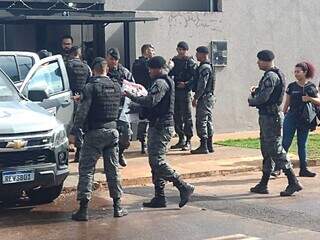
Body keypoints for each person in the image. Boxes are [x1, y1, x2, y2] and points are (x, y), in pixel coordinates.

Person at [125, 56, 195, 208]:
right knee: (154, 162)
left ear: (158, 68)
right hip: (158, 125)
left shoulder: (161, 82)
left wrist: (133, 97)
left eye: (151, 68)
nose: (149, 71)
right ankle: (159, 196)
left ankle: (183, 186)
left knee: (158, 161)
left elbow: (151, 101)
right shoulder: (163, 80)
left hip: (161, 126)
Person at [70, 57, 128, 221]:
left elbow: (83, 112)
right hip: (112, 132)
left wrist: (75, 131)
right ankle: (118, 207)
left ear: (93, 70)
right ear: (106, 69)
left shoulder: (90, 87)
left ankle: (83, 210)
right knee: (113, 170)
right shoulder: (116, 86)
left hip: (94, 133)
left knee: (87, 170)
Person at [248, 50, 303, 196]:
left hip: (271, 117)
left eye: (259, 60)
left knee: (275, 149)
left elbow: (264, 98)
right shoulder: (273, 75)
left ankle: (293, 181)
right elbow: (267, 93)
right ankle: (264, 182)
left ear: (266, 61)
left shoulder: (271, 76)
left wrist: (252, 100)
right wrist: (257, 91)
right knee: (267, 149)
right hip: (268, 116)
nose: (257, 63)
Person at [281, 62, 320, 177]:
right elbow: (287, 102)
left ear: (305, 72)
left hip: (305, 119)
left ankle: (304, 169)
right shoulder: (292, 86)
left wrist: (309, 98)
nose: (296, 74)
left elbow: (318, 101)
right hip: (291, 117)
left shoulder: (311, 87)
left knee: (302, 144)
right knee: (285, 143)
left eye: (298, 71)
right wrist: (283, 114)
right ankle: (279, 167)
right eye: (295, 72)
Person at [106, 47, 134, 167]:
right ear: (107, 57)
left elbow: (133, 87)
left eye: (115, 59)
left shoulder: (124, 72)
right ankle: (112, 162)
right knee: (110, 138)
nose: (113, 61)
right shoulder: (102, 71)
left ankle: (120, 153)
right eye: (111, 59)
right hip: (107, 109)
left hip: (122, 109)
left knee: (126, 136)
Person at [169, 41, 197, 151]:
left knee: (187, 117)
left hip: (185, 92)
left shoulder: (190, 62)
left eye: (183, 50)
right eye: (179, 49)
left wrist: (186, 84)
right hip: (175, 91)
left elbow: (195, 77)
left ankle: (188, 140)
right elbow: (169, 74)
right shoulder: (174, 60)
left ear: (186, 50)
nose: (181, 52)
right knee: (176, 116)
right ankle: (181, 138)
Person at [66, 46, 92, 162]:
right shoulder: (86, 67)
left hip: (69, 98)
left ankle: (77, 148)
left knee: (71, 124)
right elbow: (90, 83)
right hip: (82, 97)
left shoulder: (67, 65)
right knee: (80, 123)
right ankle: (80, 151)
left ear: (71, 54)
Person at [191, 46, 215, 154]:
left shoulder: (205, 68)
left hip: (204, 97)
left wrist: (196, 97)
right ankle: (209, 145)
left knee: (202, 121)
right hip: (208, 97)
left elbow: (202, 85)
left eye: (198, 53)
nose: (196, 55)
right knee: (208, 121)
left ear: (203, 54)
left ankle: (204, 145)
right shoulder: (208, 66)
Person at [132, 44, 155, 154]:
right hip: (145, 93)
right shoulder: (141, 64)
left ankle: (144, 142)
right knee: (145, 119)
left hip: (145, 93)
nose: (153, 53)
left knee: (144, 119)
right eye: (151, 51)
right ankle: (144, 142)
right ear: (146, 51)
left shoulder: (138, 63)